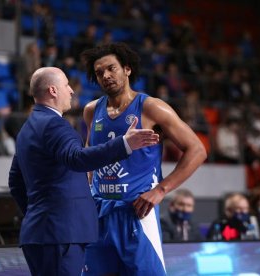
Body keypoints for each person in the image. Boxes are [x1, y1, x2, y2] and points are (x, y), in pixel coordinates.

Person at [8, 66, 159, 276]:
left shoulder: (27, 129)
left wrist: (39, 214)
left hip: (40, 233)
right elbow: (77, 158)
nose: (71, 91)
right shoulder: (55, 125)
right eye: (67, 85)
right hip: (61, 234)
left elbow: (15, 182)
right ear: (53, 91)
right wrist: (124, 143)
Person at [80, 42, 206, 275]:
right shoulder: (91, 110)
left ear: (127, 69)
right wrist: (86, 191)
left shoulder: (152, 108)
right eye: (99, 73)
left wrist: (161, 189)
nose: (106, 76)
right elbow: (89, 156)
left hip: (137, 212)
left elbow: (197, 150)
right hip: (98, 213)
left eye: (111, 68)